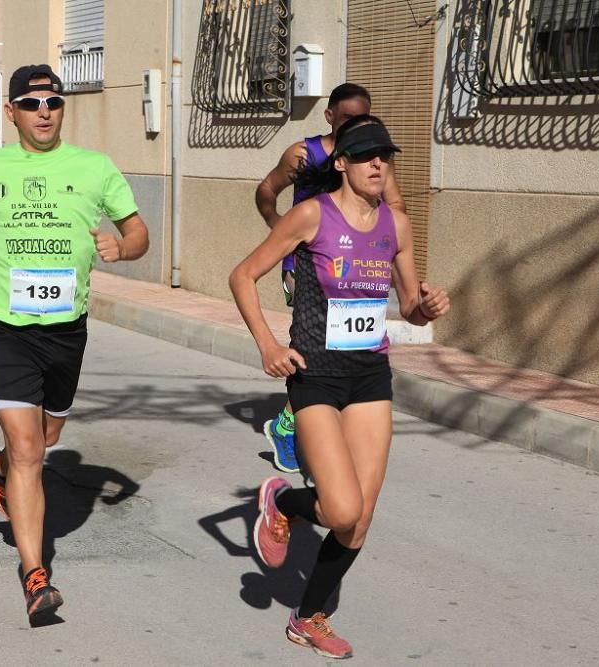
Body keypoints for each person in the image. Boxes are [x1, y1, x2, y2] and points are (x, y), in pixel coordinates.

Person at [230, 115, 450, 659]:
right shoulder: (312, 215)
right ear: (344, 164)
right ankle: (285, 503)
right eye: (367, 155)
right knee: (340, 509)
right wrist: (267, 346)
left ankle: (309, 617)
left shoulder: (395, 225)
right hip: (316, 374)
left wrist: (426, 306)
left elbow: (408, 308)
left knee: (360, 518)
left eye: (386, 155)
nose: (379, 164)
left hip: (370, 374)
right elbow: (242, 275)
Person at [0, 64, 149, 623]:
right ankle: (36, 576)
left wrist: (122, 249)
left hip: (66, 330)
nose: (44, 112)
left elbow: (137, 232)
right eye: (32, 104)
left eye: (53, 103)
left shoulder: (95, 167)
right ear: (11, 111)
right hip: (6, 325)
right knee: (30, 450)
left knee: (47, 436)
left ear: (63, 109)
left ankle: (3, 468)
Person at [254, 83, 405, 476]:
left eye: (363, 117)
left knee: (339, 343)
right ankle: (293, 424)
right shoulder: (304, 154)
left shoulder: (370, 158)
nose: (357, 124)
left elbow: (396, 205)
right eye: (349, 118)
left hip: (353, 254)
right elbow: (267, 190)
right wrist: (279, 232)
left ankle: (316, 422)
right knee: (319, 341)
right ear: (330, 116)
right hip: (308, 254)